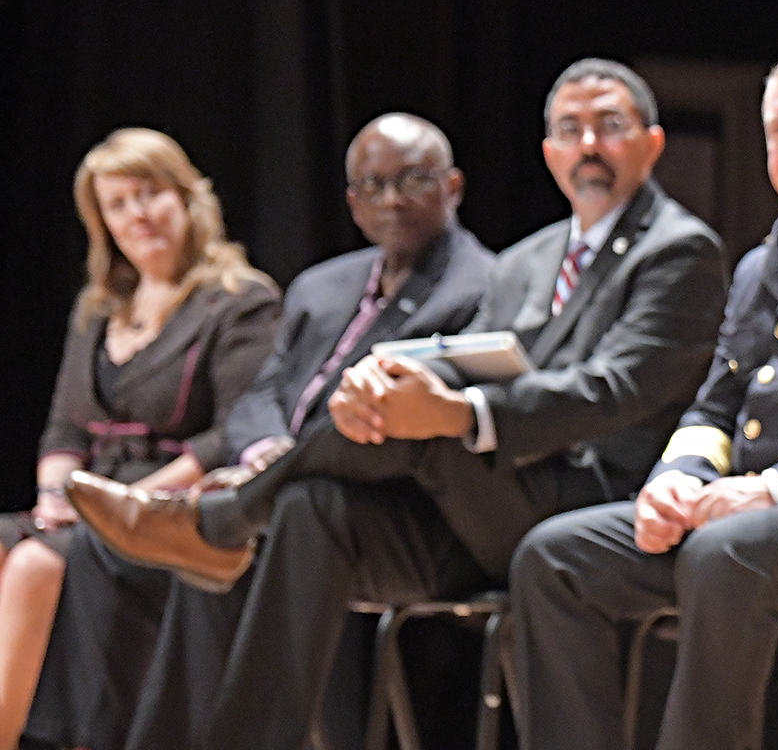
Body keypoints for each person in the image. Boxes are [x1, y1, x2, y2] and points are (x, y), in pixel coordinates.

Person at [70, 59, 727, 750]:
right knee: (313, 505)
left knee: (426, 428)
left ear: (652, 144)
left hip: (589, 509)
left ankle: (224, 520)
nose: (588, 144)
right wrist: (386, 389)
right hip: (489, 508)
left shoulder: (678, 250)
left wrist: (456, 414)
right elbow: (456, 360)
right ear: (549, 152)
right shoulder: (528, 258)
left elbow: (614, 390)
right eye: (571, 129)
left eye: (610, 126)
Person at [22, 113, 494, 750]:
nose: (393, 198)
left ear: (454, 186)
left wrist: (261, 479)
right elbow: (262, 395)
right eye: (373, 184)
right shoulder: (321, 287)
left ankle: (221, 517)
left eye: (413, 179)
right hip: (297, 493)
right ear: (351, 202)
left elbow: (429, 425)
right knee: (240, 538)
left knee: (262, 520)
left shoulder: (484, 285)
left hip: (401, 510)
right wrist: (267, 449)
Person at [511, 45, 778, 750]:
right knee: (553, 559)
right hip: (737, 511)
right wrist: (675, 482)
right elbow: (717, 404)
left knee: (722, 552)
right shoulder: (758, 266)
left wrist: (769, 489)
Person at [0, 129, 279, 750]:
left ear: (187, 199)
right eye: (118, 203)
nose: (137, 215)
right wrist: (57, 492)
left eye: (149, 194)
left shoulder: (239, 301)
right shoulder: (99, 308)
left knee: (29, 567)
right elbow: (65, 427)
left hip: (168, 510)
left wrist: (125, 501)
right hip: (83, 497)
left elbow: (232, 432)